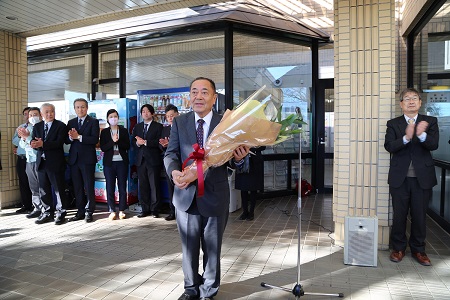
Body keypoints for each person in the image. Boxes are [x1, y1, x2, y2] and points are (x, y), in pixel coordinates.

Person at [164, 77, 249, 300]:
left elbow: (234, 161)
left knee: (212, 249)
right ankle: (191, 289)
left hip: (215, 195)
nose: (198, 96)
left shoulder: (226, 123)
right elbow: (171, 153)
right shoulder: (180, 122)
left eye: (204, 92)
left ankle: (209, 291)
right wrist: (174, 172)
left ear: (214, 97)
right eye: (194, 92)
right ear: (189, 96)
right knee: (188, 249)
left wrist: (239, 160)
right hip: (185, 195)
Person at [384, 88, 439, 266]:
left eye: (415, 98)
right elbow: (389, 146)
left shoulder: (430, 121)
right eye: (407, 99)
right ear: (401, 104)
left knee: (419, 215)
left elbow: (434, 145)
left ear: (420, 102)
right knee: (399, 215)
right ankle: (398, 248)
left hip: (422, 178)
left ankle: (419, 250)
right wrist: (406, 137)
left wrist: (421, 134)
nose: (411, 101)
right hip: (400, 178)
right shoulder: (393, 124)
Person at [31, 103, 68, 225]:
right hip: (41, 162)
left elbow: (58, 143)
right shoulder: (37, 126)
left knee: (58, 189)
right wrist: (33, 144)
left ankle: (61, 213)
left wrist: (43, 144)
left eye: (52, 111)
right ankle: (47, 213)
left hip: (55, 162)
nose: (49, 114)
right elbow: (34, 140)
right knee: (44, 190)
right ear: (41, 114)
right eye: (46, 112)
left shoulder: (61, 126)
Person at [66, 98, 100, 223]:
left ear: (87, 108)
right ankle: (80, 211)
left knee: (88, 186)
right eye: (77, 107)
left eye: (82, 107)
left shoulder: (93, 122)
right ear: (74, 109)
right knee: (77, 187)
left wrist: (78, 137)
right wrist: (70, 137)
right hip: (74, 159)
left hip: (87, 159)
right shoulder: (71, 122)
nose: (80, 109)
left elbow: (94, 139)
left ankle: (89, 211)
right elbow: (66, 140)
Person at [132, 104, 163, 218]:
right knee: (143, 185)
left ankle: (155, 209)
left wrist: (145, 142)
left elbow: (159, 142)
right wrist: (137, 143)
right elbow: (133, 142)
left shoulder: (158, 127)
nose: (145, 113)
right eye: (143, 111)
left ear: (152, 113)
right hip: (140, 160)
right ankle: (145, 209)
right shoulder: (137, 127)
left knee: (154, 185)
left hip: (153, 160)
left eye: (148, 111)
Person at [100, 109, 130, 220]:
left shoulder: (123, 130)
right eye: (111, 116)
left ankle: (122, 209)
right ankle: (112, 210)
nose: (113, 118)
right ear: (108, 119)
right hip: (109, 163)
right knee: (110, 186)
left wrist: (117, 141)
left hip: (121, 162)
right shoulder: (104, 132)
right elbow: (103, 147)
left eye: (115, 116)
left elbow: (127, 146)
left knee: (122, 186)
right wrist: (112, 141)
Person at [17, 107, 43, 219]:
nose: (32, 117)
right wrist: (23, 139)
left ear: (40, 115)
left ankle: (45, 208)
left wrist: (27, 138)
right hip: (29, 160)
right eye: (30, 115)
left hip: (39, 160)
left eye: (35, 115)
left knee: (43, 186)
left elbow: (35, 144)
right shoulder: (26, 128)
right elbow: (22, 146)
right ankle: (37, 207)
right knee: (33, 187)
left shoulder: (42, 128)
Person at [159, 104, 179, 221]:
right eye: (168, 116)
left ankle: (182, 212)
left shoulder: (184, 128)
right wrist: (164, 145)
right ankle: (172, 211)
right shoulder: (165, 129)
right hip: (170, 163)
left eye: (172, 115)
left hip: (182, 162)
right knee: (170, 187)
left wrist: (171, 144)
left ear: (177, 115)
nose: (170, 118)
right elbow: (160, 145)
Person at [235, 146, 266, 221]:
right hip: (242, 161)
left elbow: (263, 146)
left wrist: (252, 148)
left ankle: (251, 212)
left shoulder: (259, 135)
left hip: (255, 163)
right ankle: (245, 212)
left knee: (253, 189)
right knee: (243, 188)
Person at [12, 107, 32, 214]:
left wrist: (26, 136)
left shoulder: (35, 126)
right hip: (21, 158)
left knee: (32, 183)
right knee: (23, 182)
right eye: (25, 114)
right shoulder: (20, 127)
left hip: (31, 159)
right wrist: (21, 137)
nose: (27, 116)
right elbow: (14, 140)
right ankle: (26, 205)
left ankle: (35, 205)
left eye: (29, 113)